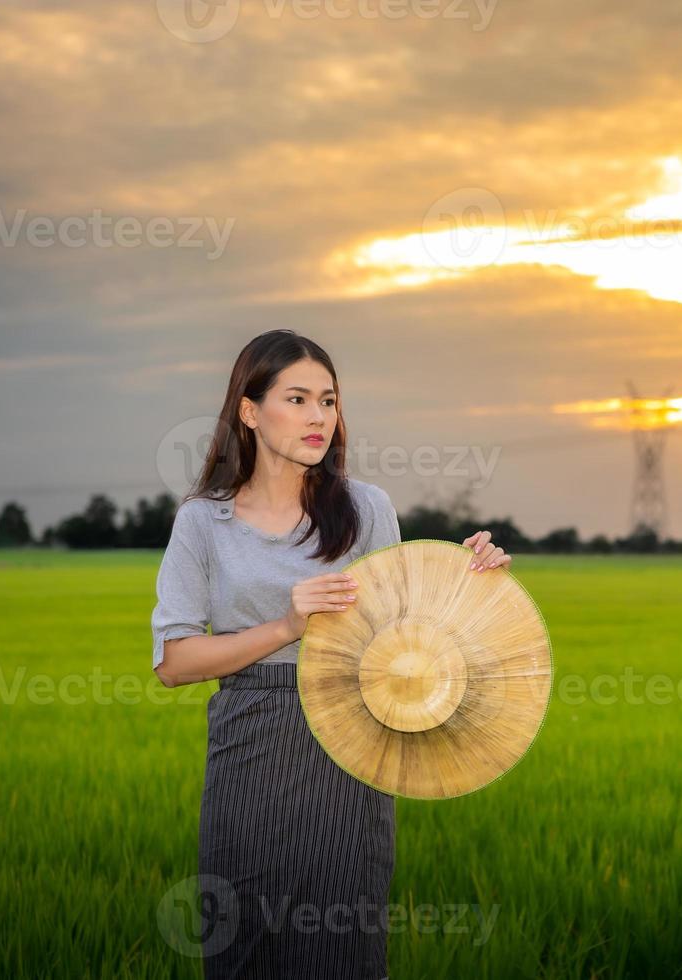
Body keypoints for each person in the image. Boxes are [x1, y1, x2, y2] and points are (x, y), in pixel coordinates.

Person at [150, 329, 511, 978]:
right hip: (250, 747)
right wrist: (288, 623)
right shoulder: (204, 521)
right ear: (250, 411)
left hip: (353, 741)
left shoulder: (366, 509)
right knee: (245, 947)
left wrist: (465, 578)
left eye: (329, 400)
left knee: (345, 950)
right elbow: (175, 663)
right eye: (298, 398)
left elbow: (407, 647)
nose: (319, 416)